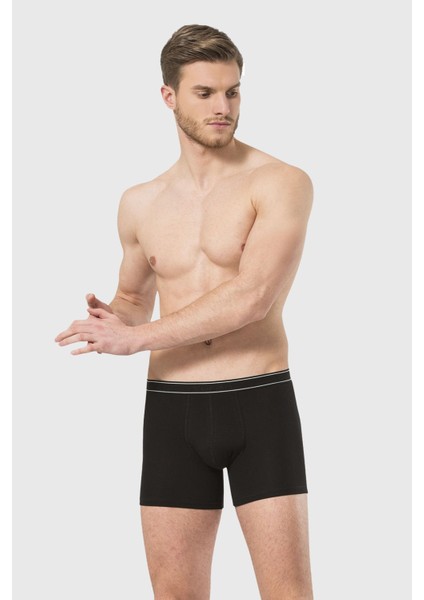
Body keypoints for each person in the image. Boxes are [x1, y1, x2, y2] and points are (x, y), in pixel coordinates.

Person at [55, 23, 314, 600]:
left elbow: (253, 297)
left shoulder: (280, 182)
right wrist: (111, 321)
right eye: (206, 93)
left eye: (233, 91)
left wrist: (136, 338)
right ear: (169, 96)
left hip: (258, 401)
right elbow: (134, 302)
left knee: (288, 593)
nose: (224, 107)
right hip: (173, 410)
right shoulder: (139, 202)